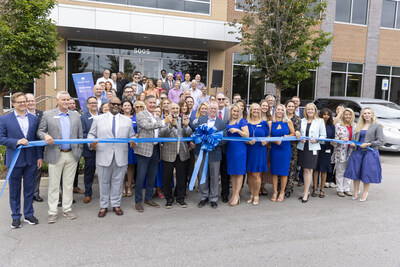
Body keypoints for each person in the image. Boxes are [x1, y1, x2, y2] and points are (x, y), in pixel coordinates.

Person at [37, 91, 83, 223]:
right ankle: (52, 212)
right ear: (57, 101)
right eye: (63, 100)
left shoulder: (75, 115)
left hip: (71, 155)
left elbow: (80, 135)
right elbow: (40, 131)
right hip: (55, 154)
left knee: (68, 185)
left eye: (68, 100)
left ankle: (67, 209)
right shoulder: (48, 114)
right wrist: (45, 136)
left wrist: (78, 152)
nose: (66, 102)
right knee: (53, 185)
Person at [88, 97, 136, 217]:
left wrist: (134, 143)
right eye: (113, 104)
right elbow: (91, 134)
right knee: (103, 182)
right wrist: (91, 143)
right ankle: (103, 206)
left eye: (118, 104)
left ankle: (116, 204)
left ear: (120, 106)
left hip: (121, 155)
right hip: (103, 154)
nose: (115, 106)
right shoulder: (98, 119)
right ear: (108, 105)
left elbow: (132, 136)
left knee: (118, 182)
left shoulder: (127, 120)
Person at [0, 92, 42, 228]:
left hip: (31, 159)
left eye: (24, 101)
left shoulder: (34, 119)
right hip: (14, 160)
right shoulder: (5, 119)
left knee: (29, 189)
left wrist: (39, 156)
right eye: (20, 102)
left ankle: (29, 214)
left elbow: (36, 139)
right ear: (13, 104)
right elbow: (1, 139)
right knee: (15, 190)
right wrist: (17, 141)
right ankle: (16, 216)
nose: (23, 104)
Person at [134, 95, 172, 212]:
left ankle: (148, 198)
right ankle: (138, 201)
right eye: (150, 102)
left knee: (152, 175)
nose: (152, 105)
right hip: (144, 150)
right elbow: (147, 126)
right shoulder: (140, 115)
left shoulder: (156, 116)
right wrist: (163, 122)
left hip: (156, 149)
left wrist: (169, 125)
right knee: (140, 177)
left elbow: (160, 131)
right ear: (145, 103)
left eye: (154, 103)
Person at [344, 107, 383, 202]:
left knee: (367, 173)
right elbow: (356, 140)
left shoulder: (377, 126)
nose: (367, 115)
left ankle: (365, 192)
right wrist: (352, 143)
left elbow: (381, 141)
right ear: (362, 115)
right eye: (365, 113)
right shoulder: (359, 125)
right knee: (355, 172)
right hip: (358, 151)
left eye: (369, 113)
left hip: (370, 152)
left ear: (372, 114)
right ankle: (356, 191)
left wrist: (369, 144)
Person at [159, 103, 192, 208]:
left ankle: (180, 198)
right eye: (173, 108)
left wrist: (187, 127)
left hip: (182, 154)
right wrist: (170, 125)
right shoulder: (164, 120)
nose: (175, 110)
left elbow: (189, 134)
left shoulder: (184, 120)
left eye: (177, 108)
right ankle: (168, 199)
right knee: (167, 178)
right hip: (168, 154)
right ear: (169, 110)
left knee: (181, 178)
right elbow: (161, 134)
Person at [195, 101, 227, 209]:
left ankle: (213, 198)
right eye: (211, 108)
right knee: (203, 175)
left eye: (215, 109)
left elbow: (224, 139)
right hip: (202, 152)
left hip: (215, 153)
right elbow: (196, 134)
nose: (213, 110)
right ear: (208, 109)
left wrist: (213, 144)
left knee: (214, 176)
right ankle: (204, 197)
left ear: (217, 110)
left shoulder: (222, 123)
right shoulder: (201, 120)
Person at [295, 103, 326, 203]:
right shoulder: (302, 120)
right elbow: (298, 133)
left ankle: (306, 192)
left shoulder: (320, 121)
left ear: (315, 110)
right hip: (303, 147)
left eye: (312, 109)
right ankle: (306, 191)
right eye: (308, 109)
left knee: (308, 170)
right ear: (305, 110)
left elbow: (323, 136)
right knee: (304, 169)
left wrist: (317, 140)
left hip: (313, 148)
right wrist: (299, 138)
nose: (310, 111)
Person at [268, 104, 295, 202]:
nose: (280, 111)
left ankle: (282, 192)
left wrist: (285, 137)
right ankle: (275, 192)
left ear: (284, 111)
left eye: (282, 110)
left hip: (285, 149)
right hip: (275, 149)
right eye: (278, 109)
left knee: (284, 172)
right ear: (275, 111)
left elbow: (293, 133)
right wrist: (275, 141)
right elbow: (268, 137)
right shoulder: (271, 123)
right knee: (274, 171)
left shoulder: (288, 121)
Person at [246, 103, 269, 205]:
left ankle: (256, 195)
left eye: (258, 109)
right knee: (249, 173)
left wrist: (266, 141)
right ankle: (251, 194)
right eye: (254, 109)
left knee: (256, 174)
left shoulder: (264, 123)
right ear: (250, 111)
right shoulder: (246, 123)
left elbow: (268, 136)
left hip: (259, 150)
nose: (256, 111)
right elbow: (244, 138)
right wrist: (247, 141)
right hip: (249, 150)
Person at [226, 103, 249, 206]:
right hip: (230, 149)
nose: (235, 113)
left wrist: (238, 130)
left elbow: (247, 135)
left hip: (239, 149)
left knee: (239, 172)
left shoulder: (242, 121)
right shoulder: (228, 121)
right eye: (233, 111)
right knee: (233, 172)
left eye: (237, 111)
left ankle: (236, 195)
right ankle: (234, 193)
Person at [25, 93, 44, 202]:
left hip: (38, 148)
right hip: (26, 148)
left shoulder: (42, 114)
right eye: (28, 101)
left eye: (32, 101)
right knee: (27, 173)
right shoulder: (23, 114)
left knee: (37, 171)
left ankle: (35, 193)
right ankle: (28, 194)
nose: (31, 103)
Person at [332, 108, 355, 197]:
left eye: (349, 114)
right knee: (340, 170)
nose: (348, 116)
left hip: (352, 151)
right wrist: (341, 139)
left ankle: (346, 188)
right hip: (341, 151)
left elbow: (357, 139)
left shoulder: (355, 126)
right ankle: (340, 189)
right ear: (343, 115)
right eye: (346, 114)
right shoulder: (338, 125)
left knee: (349, 170)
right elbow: (334, 138)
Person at [312, 108, 335, 198]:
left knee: (324, 169)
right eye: (324, 114)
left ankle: (322, 190)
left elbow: (333, 138)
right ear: (320, 115)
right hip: (317, 148)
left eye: (327, 115)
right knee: (316, 168)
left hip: (327, 149)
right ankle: (314, 188)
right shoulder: (317, 124)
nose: (326, 116)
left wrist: (333, 142)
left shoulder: (331, 126)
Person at [80, 96, 99, 204]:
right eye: (91, 103)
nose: (94, 104)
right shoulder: (83, 118)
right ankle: (88, 193)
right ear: (87, 105)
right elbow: (82, 133)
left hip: (102, 149)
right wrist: (92, 142)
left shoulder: (102, 116)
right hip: (90, 150)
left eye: (95, 103)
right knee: (89, 173)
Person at [284, 100, 301, 197]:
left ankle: (289, 189)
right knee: (283, 166)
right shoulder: (282, 117)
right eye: (289, 106)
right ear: (286, 107)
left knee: (292, 167)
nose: (290, 108)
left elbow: (298, 132)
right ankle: (280, 187)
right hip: (281, 145)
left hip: (292, 146)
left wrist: (297, 133)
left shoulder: (297, 119)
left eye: (292, 106)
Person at [216, 92, 230, 202]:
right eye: (219, 99)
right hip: (214, 148)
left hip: (227, 148)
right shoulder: (211, 111)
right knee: (214, 173)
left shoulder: (230, 112)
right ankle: (213, 195)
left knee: (225, 173)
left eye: (222, 99)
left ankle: (225, 194)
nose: (221, 101)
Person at [121, 100, 135, 198]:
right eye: (125, 105)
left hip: (132, 145)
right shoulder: (119, 118)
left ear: (131, 107)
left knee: (130, 166)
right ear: (122, 107)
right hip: (121, 145)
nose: (127, 107)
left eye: (128, 105)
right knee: (122, 166)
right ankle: (123, 187)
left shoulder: (135, 118)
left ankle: (129, 187)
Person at [259, 99, 272, 196]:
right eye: (263, 105)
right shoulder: (255, 116)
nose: (264, 107)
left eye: (266, 106)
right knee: (258, 166)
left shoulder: (270, 118)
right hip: (257, 145)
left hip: (268, 145)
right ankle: (256, 186)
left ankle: (262, 186)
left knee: (265, 166)